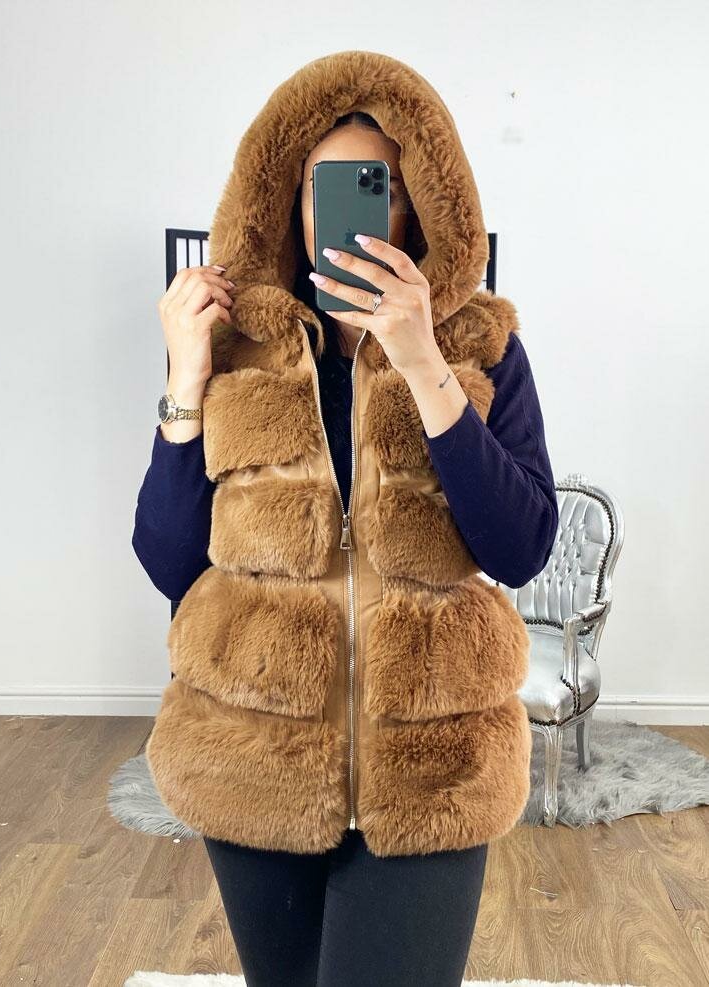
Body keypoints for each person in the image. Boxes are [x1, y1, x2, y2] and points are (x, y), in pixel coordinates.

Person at [132, 52, 558, 987]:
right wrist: (185, 380)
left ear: (422, 207)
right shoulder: (232, 352)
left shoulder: (481, 346)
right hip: (254, 754)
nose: (350, 213)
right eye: (323, 188)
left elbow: (523, 545)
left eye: (380, 187)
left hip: (433, 766)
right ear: (286, 201)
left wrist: (423, 364)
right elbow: (168, 559)